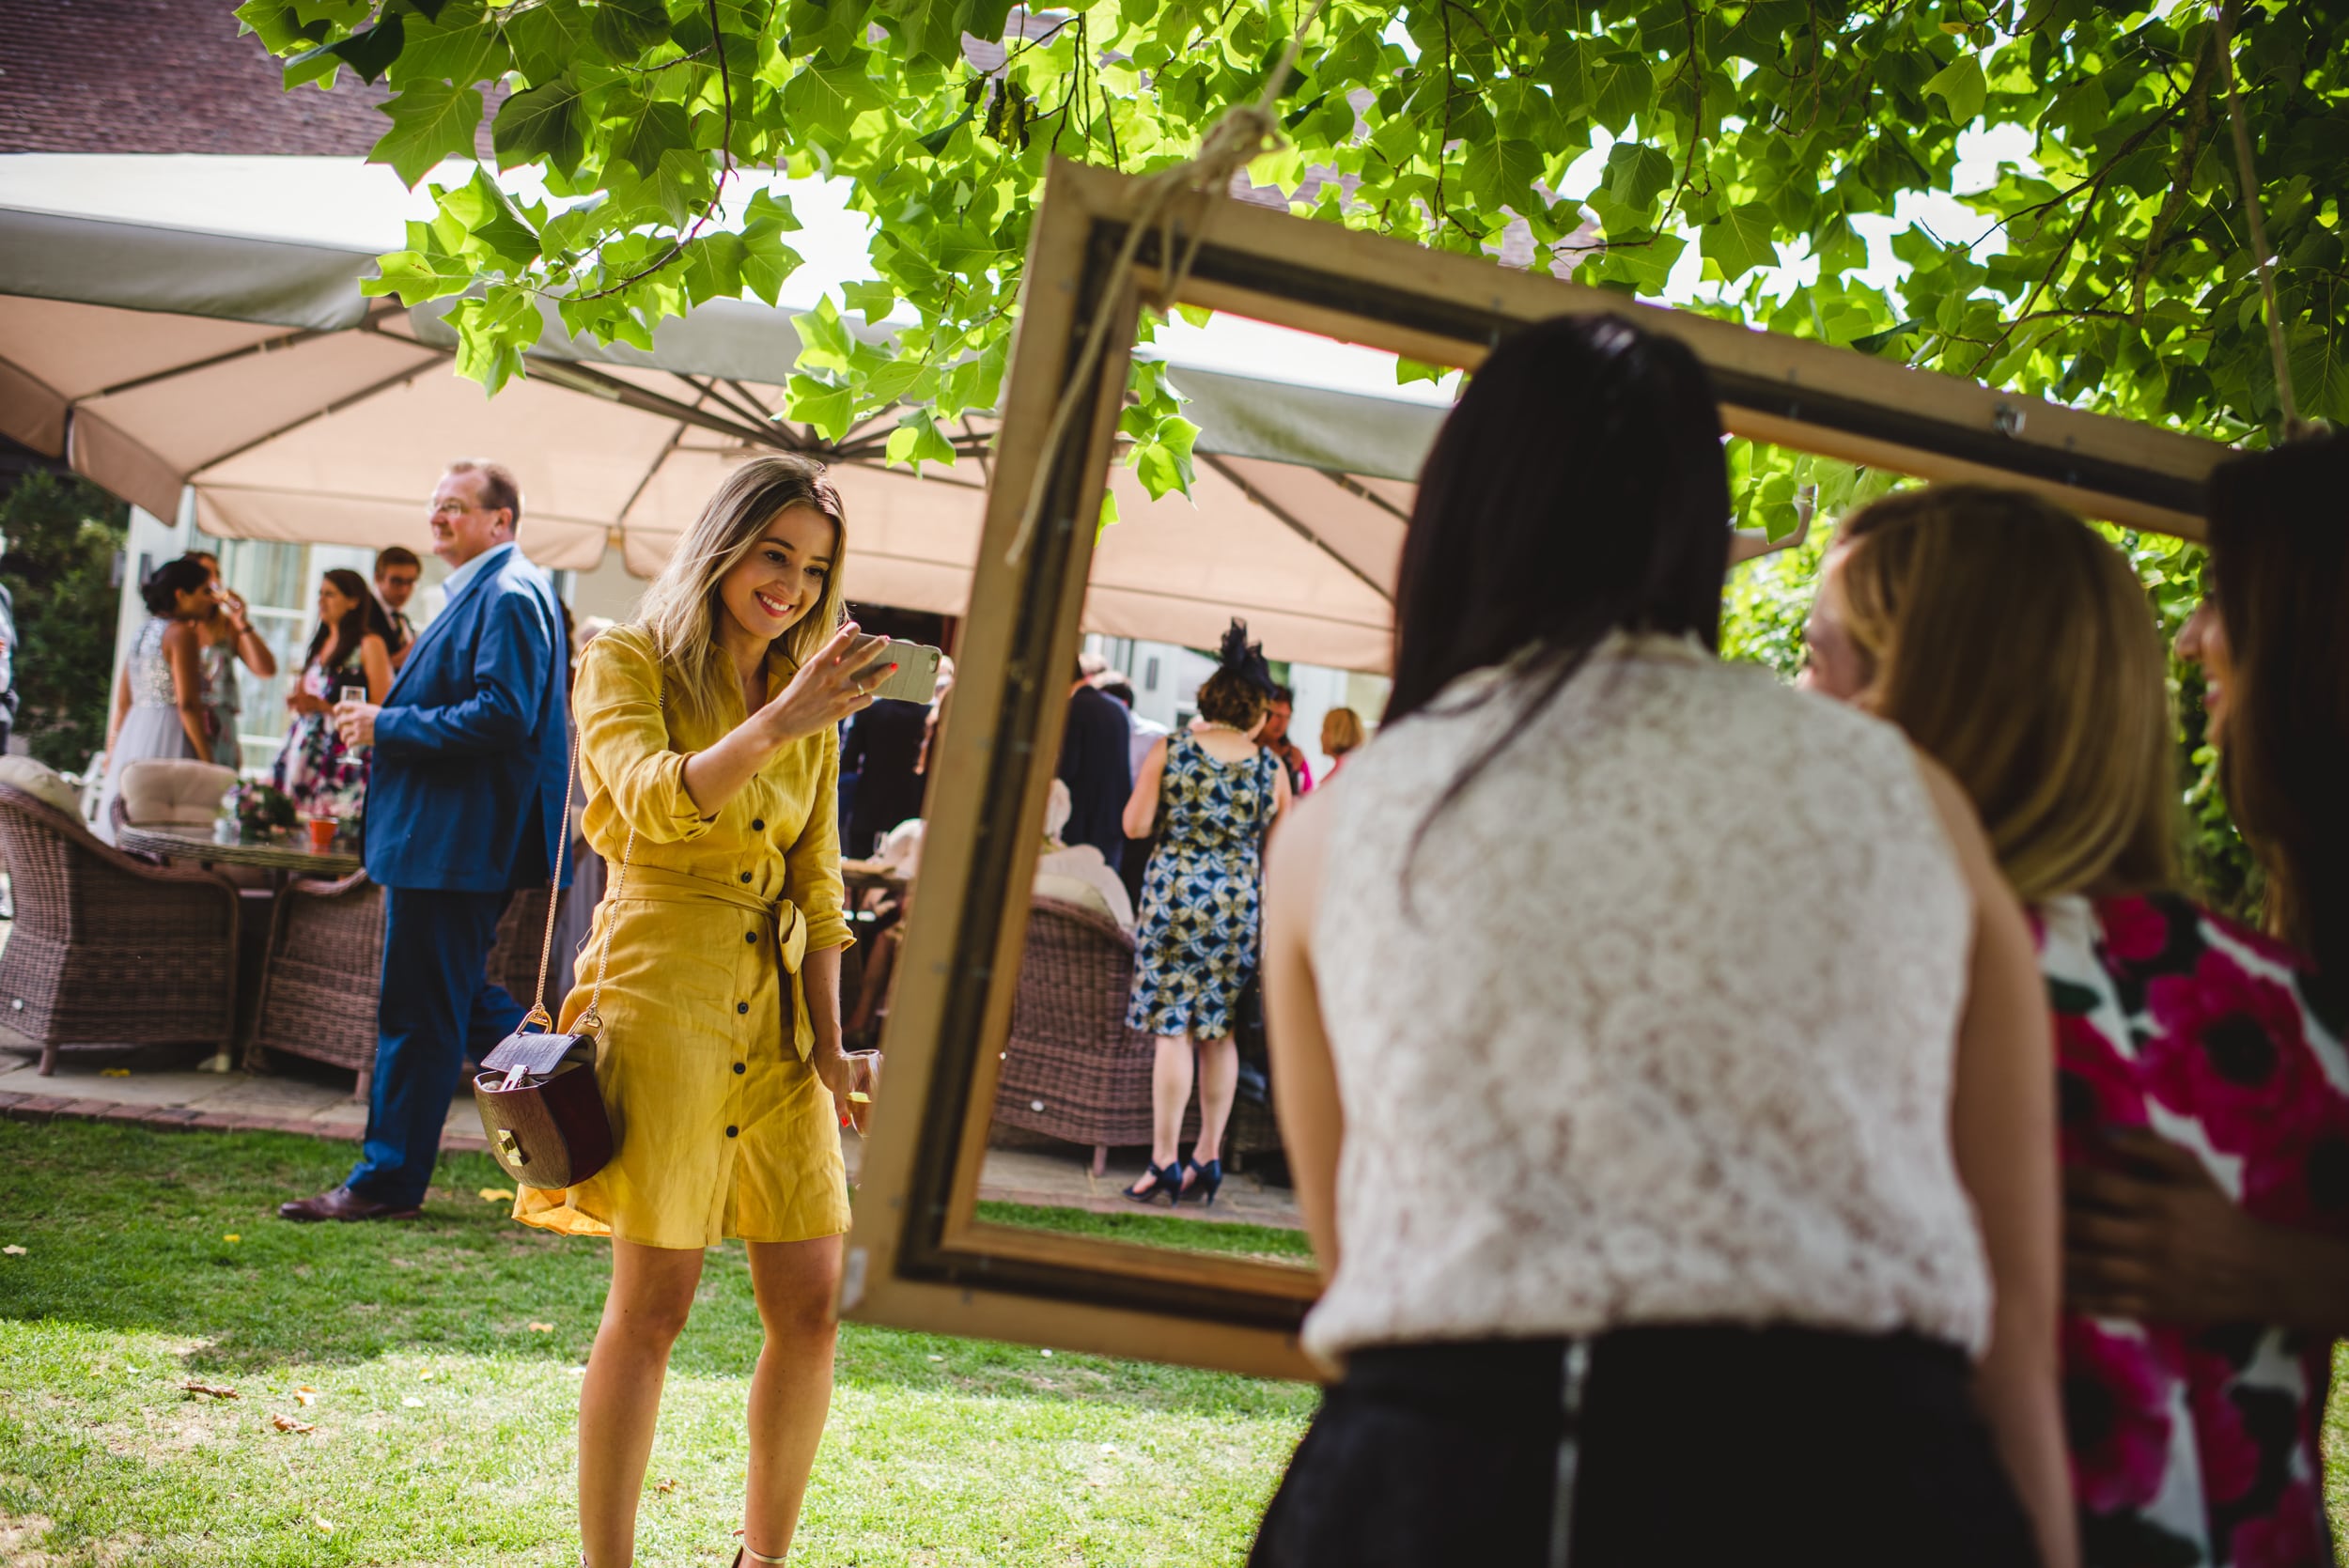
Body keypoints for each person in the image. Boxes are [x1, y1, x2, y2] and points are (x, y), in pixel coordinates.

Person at [1252, 316, 2072, 1568]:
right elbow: (2015, 1307)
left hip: (1446, 1479)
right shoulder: (1906, 793)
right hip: (1856, 1472)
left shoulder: (1340, 824)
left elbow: (1360, 1245)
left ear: (1459, 515)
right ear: (1700, 521)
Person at [1800, 482, 2344, 1564]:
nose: (1790, 696)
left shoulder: (1858, 989)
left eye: (1820, 659)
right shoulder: (2286, 999)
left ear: (1921, 696)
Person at [505, 455, 885, 1568]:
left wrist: (831, 1036)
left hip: (777, 1018)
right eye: (776, 555)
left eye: (815, 570)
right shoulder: (623, 657)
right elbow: (649, 800)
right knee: (655, 1302)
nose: (793, 586)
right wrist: (784, 717)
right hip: (661, 986)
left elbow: (817, 879)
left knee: (812, 1301)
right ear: (724, 542)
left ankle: (761, 1558)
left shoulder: (809, 690)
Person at [279, 458, 569, 1225]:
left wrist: (386, 724)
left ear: (500, 521)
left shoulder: (506, 593)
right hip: (452, 838)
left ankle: (386, 1181)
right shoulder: (492, 588)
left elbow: (503, 714)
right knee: (454, 996)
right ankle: (574, 1080)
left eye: (455, 507)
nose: (437, 517)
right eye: (434, 505)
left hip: (455, 840)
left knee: (417, 1009)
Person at [1119, 622, 1290, 1208]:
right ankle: (1209, 1155)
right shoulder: (1272, 770)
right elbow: (1284, 852)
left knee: (1175, 1030)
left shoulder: (1174, 748)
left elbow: (1135, 826)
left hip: (1173, 899)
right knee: (1220, 1035)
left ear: (1209, 701)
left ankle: (1164, 1159)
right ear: (1258, 714)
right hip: (1240, 906)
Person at [94, 557, 216, 843]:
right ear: (181, 594)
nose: (211, 600)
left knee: (133, 812)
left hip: (135, 731)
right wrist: (208, 762)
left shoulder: (142, 631)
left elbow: (124, 701)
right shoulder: (181, 633)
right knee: (167, 822)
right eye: (205, 591)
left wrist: (114, 750)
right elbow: (187, 704)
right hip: (170, 731)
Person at [269, 568, 395, 823]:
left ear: (353, 601)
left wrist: (323, 706)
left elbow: (382, 705)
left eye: (330, 594)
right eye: (320, 594)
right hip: (306, 747)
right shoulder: (320, 643)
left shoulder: (369, 644)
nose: (321, 601)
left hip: (342, 750)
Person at [184, 550, 278, 770]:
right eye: (208, 574)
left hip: (220, 728)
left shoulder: (225, 627)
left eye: (217, 573)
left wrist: (241, 622)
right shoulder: (175, 628)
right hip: (187, 723)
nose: (215, 581)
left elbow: (265, 669)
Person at [1056, 656, 1132, 873]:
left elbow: (1066, 769)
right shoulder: (1116, 709)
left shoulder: (1074, 709)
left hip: (1081, 824)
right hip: (1112, 823)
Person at [840, 690, 928, 858]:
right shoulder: (925, 715)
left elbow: (849, 759)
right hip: (909, 803)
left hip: (870, 800)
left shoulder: (871, 710)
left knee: (858, 863)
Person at [374, 544, 423, 668]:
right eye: (396, 581)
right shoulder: (362, 614)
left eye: (410, 582)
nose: (404, 590)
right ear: (378, 578)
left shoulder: (402, 619)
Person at [1260, 683, 1313, 796]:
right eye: (1277, 715)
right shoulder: (1247, 749)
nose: (1282, 723)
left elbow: (1307, 794)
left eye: (1287, 717)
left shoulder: (1295, 755)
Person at [1317, 706, 1364, 778]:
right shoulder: (1357, 766)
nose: (1321, 735)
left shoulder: (1339, 777)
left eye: (1325, 729)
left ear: (1337, 733)